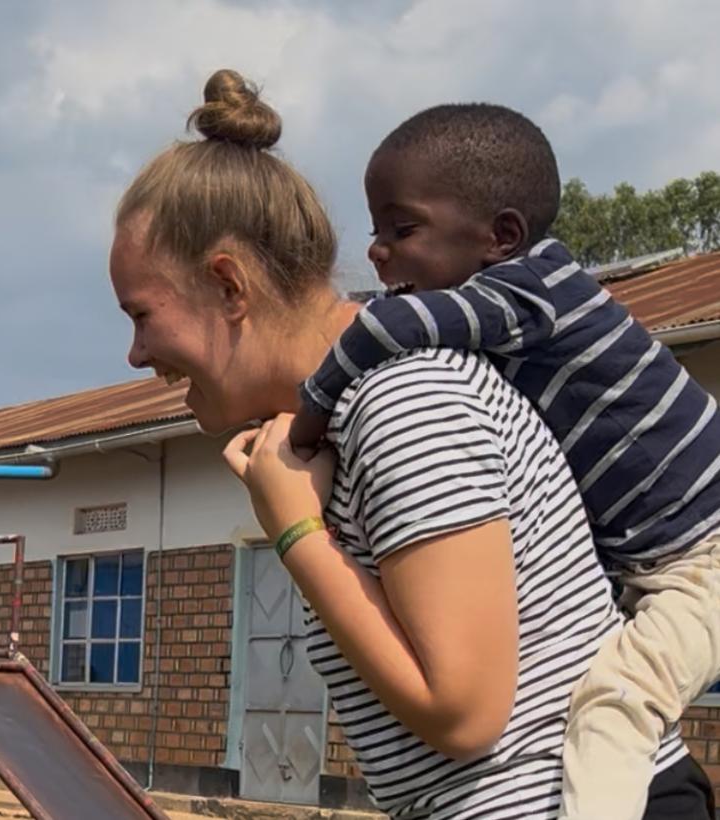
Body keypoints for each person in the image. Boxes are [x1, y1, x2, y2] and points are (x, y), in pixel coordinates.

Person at [109, 69, 714, 819]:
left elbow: (464, 712)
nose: (135, 355)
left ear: (230, 286)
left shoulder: (403, 400)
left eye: (141, 314)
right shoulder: (360, 406)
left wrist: (297, 533)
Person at [288, 103, 720, 820]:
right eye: (375, 232)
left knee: (614, 705)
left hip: (705, 561)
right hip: (665, 561)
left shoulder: (533, 293)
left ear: (503, 236)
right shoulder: (501, 316)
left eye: (403, 228)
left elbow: (393, 327)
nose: (378, 251)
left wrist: (308, 413)